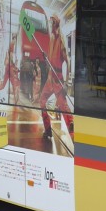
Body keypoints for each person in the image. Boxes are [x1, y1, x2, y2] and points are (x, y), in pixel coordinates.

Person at [40, 14, 75, 142]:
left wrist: (66, 82)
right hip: (50, 79)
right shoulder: (51, 39)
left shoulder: (60, 39)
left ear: (56, 24)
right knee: (42, 101)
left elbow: (68, 61)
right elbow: (50, 60)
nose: (50, 24)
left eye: (51, 22)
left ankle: (75, 139)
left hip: (58, 80)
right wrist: (45, 57)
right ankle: (48, 129)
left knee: (64, 109)